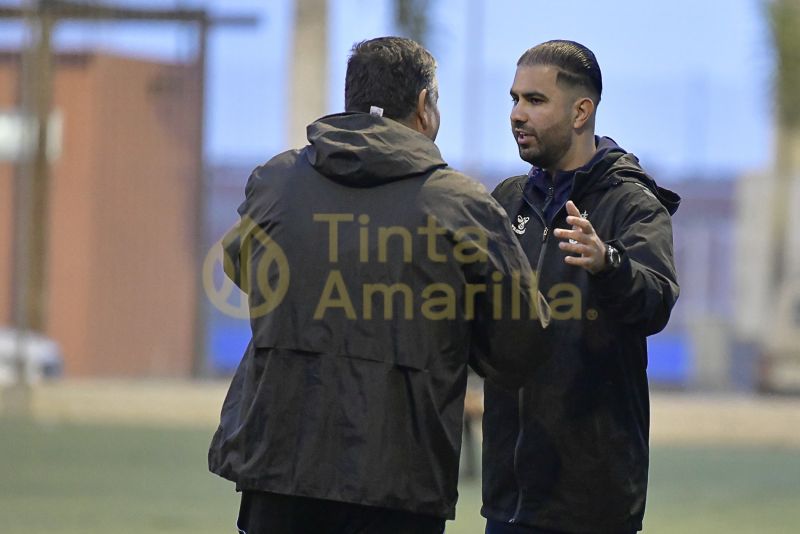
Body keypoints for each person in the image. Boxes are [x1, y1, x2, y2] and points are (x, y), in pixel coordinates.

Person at [208, 36, 548, 534]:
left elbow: (244, 269)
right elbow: (521, 340)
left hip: (279, 465)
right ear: (424, 107)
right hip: (400, 477)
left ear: (350, 102)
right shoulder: (459, 204)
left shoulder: (277, 182)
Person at [481, 40, 680, 534]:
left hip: (594, 504)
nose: (517, 114)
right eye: (514, 99)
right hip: (509, 500)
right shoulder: (506, 201)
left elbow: (655, 301)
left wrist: (607, 263)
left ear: (580, 111)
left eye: (535, 100)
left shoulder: (632, 205)